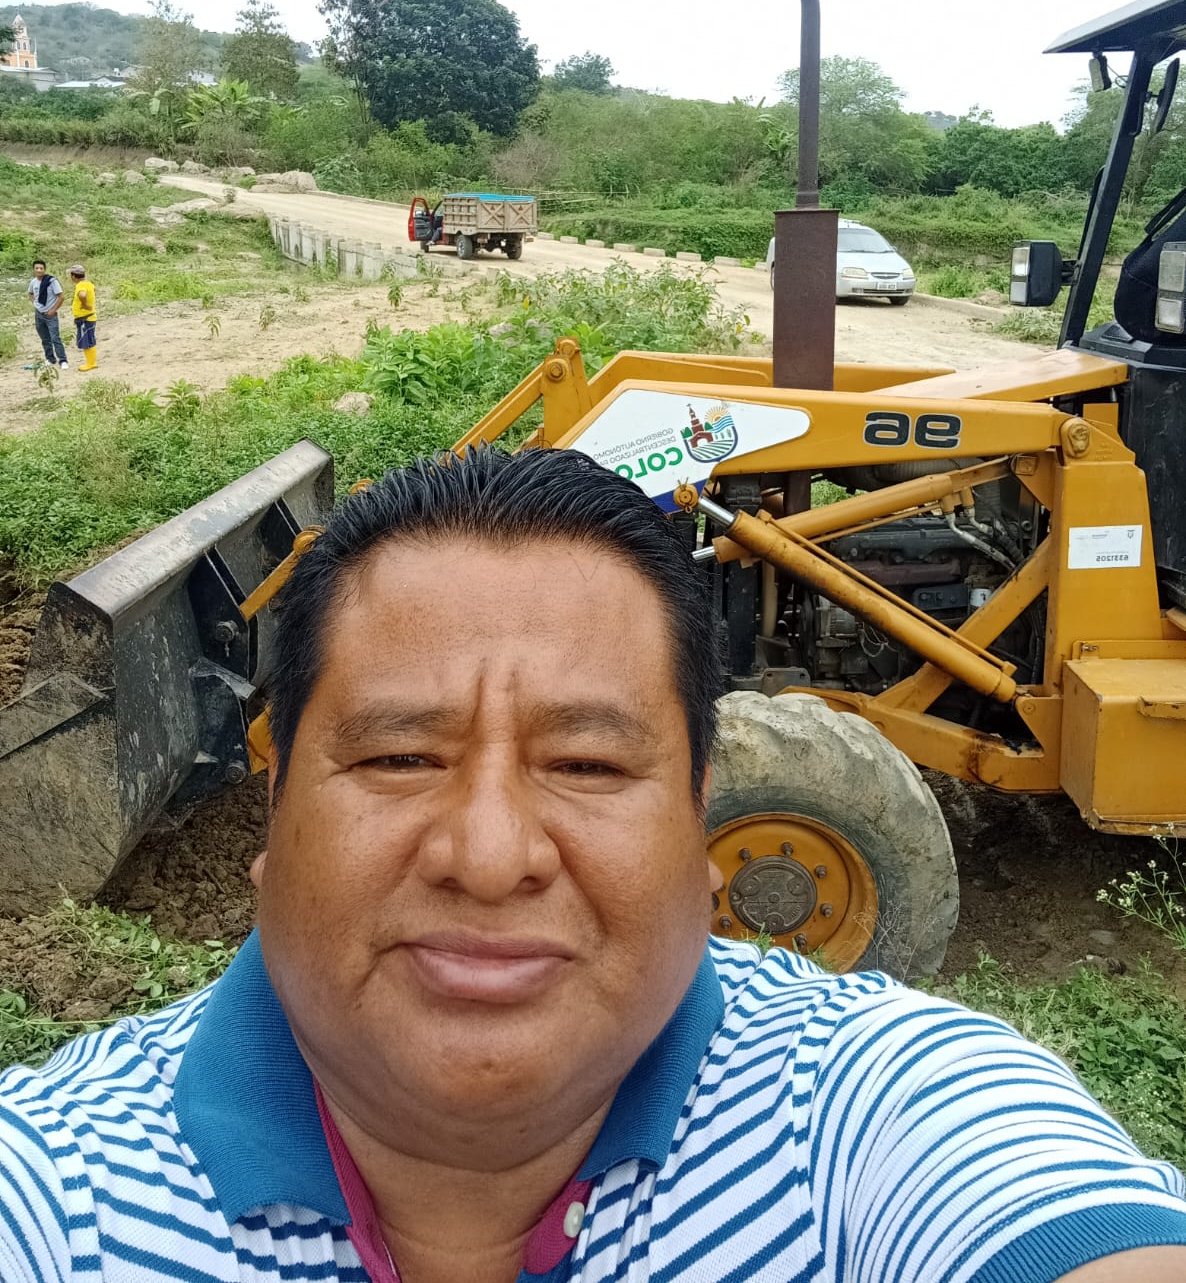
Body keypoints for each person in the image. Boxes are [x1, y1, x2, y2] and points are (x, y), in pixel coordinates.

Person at [1, 446, 1185, 1283]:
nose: (488, 857)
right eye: (401, 757)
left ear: (701, 833)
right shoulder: (59, 1190)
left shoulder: (876, 1119)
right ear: (274, 818)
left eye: (586, 764)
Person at [26, 258, 68, 370]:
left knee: (55, 338)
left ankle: (63, 360)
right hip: (39, 314)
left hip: (51, 315)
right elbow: (30, 293)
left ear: (44, 269)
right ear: (34, 270)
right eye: (37, 268)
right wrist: (34, 303)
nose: (39, 270)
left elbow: (61, 297)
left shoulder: (52, 281)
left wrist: (53, 310)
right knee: (45, 339)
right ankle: (50, 359)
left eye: (41, 268)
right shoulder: (33, 282)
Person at [68, 262, 98, 371]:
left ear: (73, 276)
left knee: (86, 341)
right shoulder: (88, 284)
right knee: (90, 339)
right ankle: (91, 362)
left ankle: (91, 363)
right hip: (89, 317)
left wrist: (85, 304)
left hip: (85, 318)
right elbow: (94, 290)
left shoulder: (80, 285)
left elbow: (82, 294)